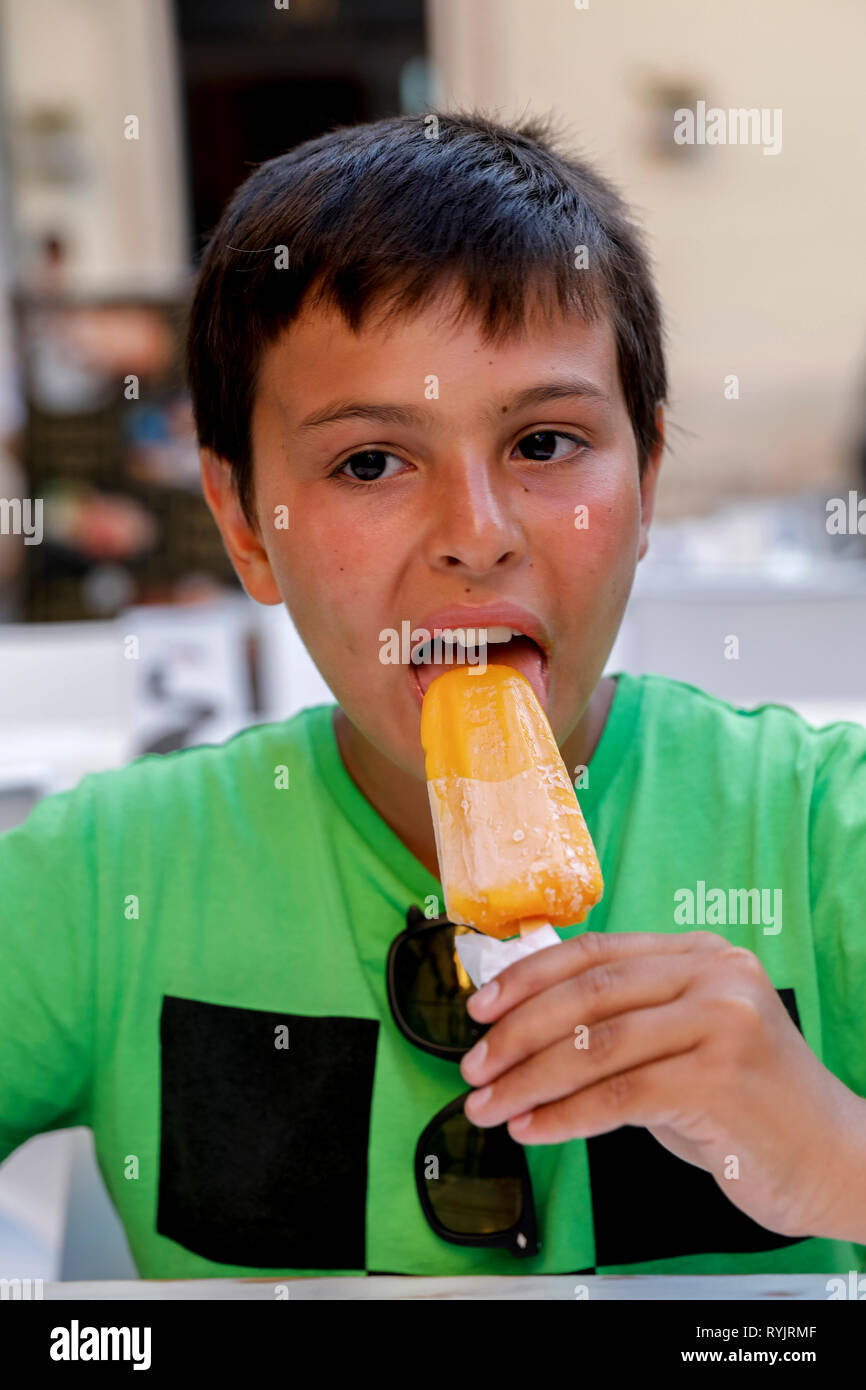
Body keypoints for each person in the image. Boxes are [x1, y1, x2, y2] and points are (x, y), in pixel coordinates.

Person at [1, 110, 864, 1282]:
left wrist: (831, 1153)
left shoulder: (817, 837)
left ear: (648, 478)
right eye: (369, 462)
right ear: (245, 522)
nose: (477, 535)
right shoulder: (103, 880)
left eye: (546, 442)